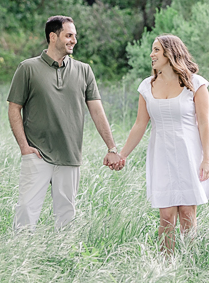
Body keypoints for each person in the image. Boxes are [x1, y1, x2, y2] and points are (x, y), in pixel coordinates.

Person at [7, 15, 124, 231]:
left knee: (67, 216)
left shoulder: (84, 70)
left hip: (70, 155)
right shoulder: (28, 68)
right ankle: (21, 258)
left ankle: (64, 259)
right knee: (26, 210)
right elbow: (14, 107)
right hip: (37, 154)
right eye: (69, 35)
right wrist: (24, 147)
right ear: (53, 37)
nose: (74, 40)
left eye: (75, 36)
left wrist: (112, 147)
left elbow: (97, 111)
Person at [114, 34, 209, 251]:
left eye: (156, 50)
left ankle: (190, 261)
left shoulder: (196, 84)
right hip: (160, 155)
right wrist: (122, 154)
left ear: (170, 53)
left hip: (189, 154)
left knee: (188, 213)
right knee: (166, 216)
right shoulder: (147, 86)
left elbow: (204, 124)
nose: (151, 55)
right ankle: (166, 266)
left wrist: (207, 159)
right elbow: (139, 125)